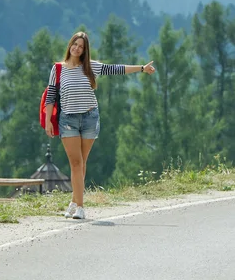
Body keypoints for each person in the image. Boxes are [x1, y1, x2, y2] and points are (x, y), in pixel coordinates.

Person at [45, 30, 155, 219]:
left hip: (90, 118)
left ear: (85, 50)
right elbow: (51, 96)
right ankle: (80, 207)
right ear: (70, 45)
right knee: (76, 162)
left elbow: (116, 69)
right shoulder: (58, 69)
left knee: (82, 163)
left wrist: (142, 68)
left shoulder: (90, 67)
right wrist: (48, 120)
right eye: (75, 44)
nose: (77, 48)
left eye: (81, 46)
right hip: (68, 120)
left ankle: (74, 201)